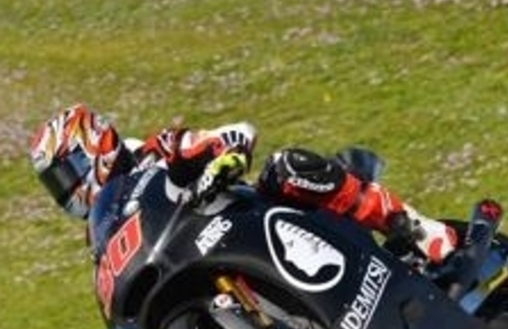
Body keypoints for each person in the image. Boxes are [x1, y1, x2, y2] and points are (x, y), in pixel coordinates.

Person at [29, 103, 458, 263]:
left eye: (64, 174)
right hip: (199, 262)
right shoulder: (100, 234)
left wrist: (224, 158)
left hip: (251, 218)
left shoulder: (157, 151)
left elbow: (235, 133)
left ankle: (417, 227)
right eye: (56, 183)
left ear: (92, 145)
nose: (65, 190)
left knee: (285, 166)